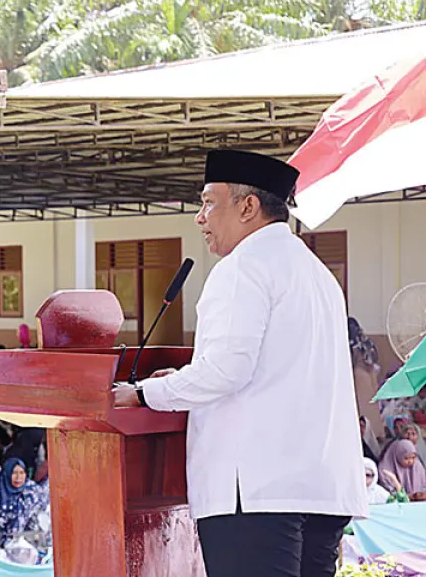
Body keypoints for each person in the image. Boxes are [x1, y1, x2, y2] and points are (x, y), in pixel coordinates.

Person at [114, 149, 366, 577]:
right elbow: (269, 370)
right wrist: (182, 380)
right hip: (321, 490)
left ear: (248, 207)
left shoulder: (242, 267)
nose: (200, 218)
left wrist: (141, 393)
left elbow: (226, 371)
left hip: (254, 495)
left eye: (209, 202)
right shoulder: (317, 273)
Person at [0, 457, 48, 547]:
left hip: (27, 542)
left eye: (22, 473)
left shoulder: (32, 491)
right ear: (7, 474)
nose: (18, 477)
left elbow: (41, 516)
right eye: (14, 473)